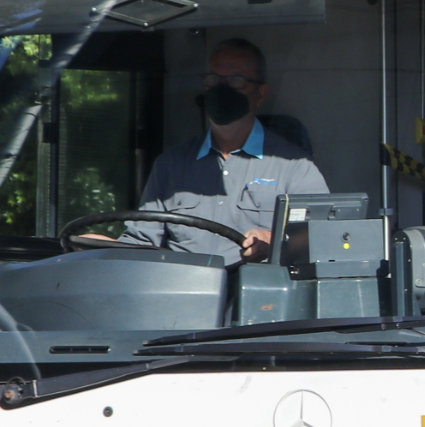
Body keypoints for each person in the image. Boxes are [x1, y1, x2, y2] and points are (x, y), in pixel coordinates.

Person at [127, 38, 326, 265]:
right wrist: (99, 245)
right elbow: (140, 242)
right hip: (181, 292)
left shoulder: (295, 165)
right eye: (213, 79)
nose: (222, 89)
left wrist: (273, 241)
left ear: (260, 94)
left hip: (257, 295)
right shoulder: (171, 164)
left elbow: (321, 238)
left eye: (236, 80)